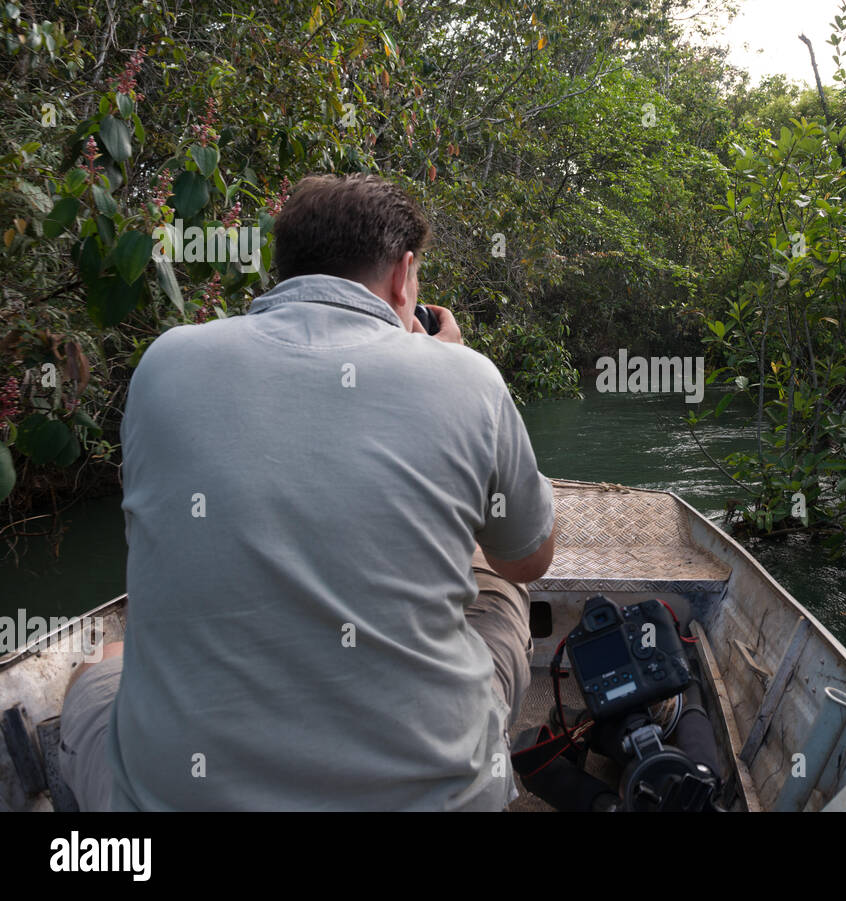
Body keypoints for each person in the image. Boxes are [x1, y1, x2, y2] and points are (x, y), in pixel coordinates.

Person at [58, 173, 555, 810]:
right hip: (441, 799)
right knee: (501, 584)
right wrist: (448, 365)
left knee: (104, 662)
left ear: (285, 265)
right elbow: (530, 558)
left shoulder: (165, 362)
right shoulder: (466, 377)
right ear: (403, 277)